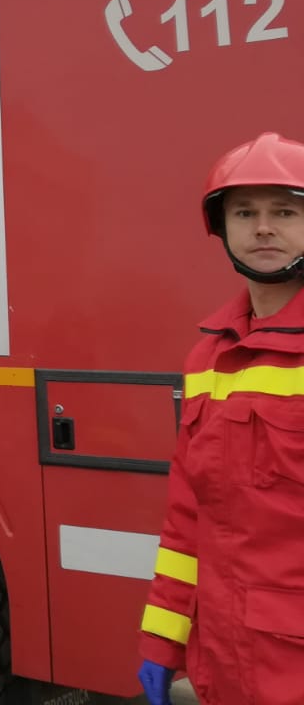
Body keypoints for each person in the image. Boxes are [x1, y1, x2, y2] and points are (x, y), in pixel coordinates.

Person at [138, 132, 304, 705]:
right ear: (223, 228)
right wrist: (162, 641)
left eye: (284, 211)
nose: (263, 227)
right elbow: (188, 517)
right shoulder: (209, 357)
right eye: (244, 212)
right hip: (225, 662)